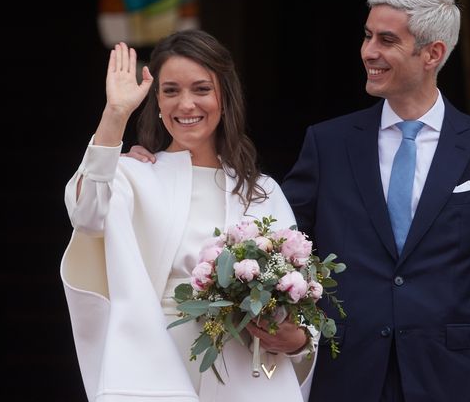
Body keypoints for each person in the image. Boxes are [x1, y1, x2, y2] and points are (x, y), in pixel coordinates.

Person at [280, 0, 470, 401]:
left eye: (387, 40)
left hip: (451, 381)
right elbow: (277, 240)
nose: (368, 51)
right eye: (368, 36)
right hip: (346, 375)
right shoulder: (328, 144)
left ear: (433, 53)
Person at [60, 29, 316, 402]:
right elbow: (85, 215)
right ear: (157, 101)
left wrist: (298, 341)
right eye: (171, 91)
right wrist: (115, 113)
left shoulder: (262, 191)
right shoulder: (133, 174)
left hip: (243, 366)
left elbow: (299, 291)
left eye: (201, 89)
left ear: (224, 98)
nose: (186, 105)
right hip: (156, 356)